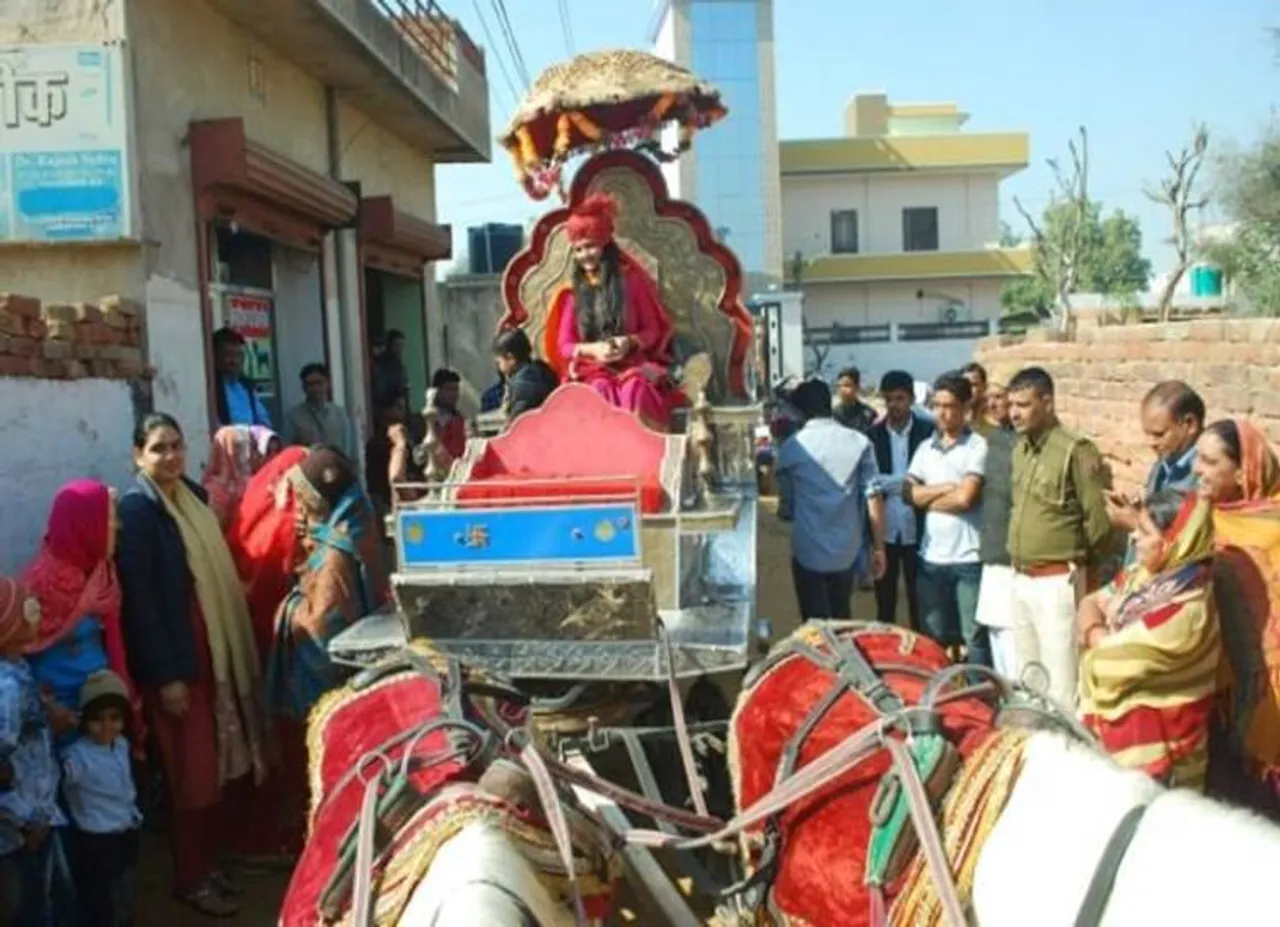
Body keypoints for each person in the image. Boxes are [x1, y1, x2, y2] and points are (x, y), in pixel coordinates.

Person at [115, 412, 268, 917]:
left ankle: (209, 864)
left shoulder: (193, 501)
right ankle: (190, 878)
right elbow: (140, 602)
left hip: (213, 659)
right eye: (158, 448)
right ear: (138, 455)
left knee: (219, 769)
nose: (171, 457)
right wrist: (166, 678)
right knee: (193, 777)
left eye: (177, 446)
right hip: (178, 666)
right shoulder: (139, 513)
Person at [1077, 491, 1219, 791]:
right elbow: (1091, 601)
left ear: (1171, 541)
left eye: (1144, 533)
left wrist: (1092, 635)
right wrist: (1097, 632)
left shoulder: (1187, 608)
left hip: (1165, 761)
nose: (1133, 540)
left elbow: (1106, 665)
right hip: (1126, 753)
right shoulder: (1143, 576)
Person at [1006, 366, 1113, 710]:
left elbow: (1098, 522)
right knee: (1029, 679)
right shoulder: (1020, 448)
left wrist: (1087, 578)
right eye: (1012, 405)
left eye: (1023, 404)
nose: (1014, 413)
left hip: (1058, 581)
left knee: (1063, 684)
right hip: (1021, 577)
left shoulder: (1076, 450)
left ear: (1048, 403)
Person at [1193, 418, 1280, 810]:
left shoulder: (1273, 526)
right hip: (1213, 686)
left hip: (1268, 688)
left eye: (1210, 462)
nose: (1198, 470)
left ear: (1243, 472)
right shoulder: (1198, 520)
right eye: (1198, 458)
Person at [22, 480, 140, 753]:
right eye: (109, 519)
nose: (117, 527)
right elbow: (17, 657)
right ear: (86, 526)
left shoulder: (101, 573)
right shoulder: (41, 586)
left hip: (102, 706)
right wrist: (47, 706)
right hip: (60, 714)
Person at [268, 448, 386, 722]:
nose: (301, 509)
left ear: (322, 500)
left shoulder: (337, 555)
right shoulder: (352, 526)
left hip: (332, 690)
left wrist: (291, 608)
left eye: (307, 502)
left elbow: (322, 626)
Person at [552, 193, 677, 429]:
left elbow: (653, 329)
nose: (584, 255)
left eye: (590, 247)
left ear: (604, 244)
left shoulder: (631, 282)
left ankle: (645, 457)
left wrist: (629, 342)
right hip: (591, 369)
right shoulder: (572, 294)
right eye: (578, 250)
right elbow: (564, 345)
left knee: (636, 389)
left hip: (632, 364)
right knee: (599, 391)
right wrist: (594, 349)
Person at [776, 379, 886, 621]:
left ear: (800, 411)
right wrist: (878, 548)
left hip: (808, 550)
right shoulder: (859, 442)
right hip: (847, 550)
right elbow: (873, 497)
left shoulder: (792, 448)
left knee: (814, 625)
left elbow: (787, 507)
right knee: (842, 615)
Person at [905, 372, 990, 667]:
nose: (941, 412)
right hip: (931, 559)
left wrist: (926, 498)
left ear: (966, 407)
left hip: (968, 559)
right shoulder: (925, 448)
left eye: (949, 405)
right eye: (937, 405)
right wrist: (944, 488)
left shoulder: (977, 446)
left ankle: (980, 696)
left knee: (974, 636)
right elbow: (907, 495)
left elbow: (966, 498)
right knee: (933, 635)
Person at [0, 577, 67, 927]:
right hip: (21, 827)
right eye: (27, 607)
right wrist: (25, 818)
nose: (37, 611)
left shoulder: (17, 672)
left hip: (33, 817)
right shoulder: (7, 688)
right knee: (30, 908)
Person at [61, 669, 142, 926]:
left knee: (125, 895)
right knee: (98, 904)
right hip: (94, 842)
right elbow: (58, 777)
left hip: (125, 832)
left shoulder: (122, 745)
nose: (107, 726)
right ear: (84, 720)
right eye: (97, 718)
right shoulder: (76, 757)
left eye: (114, 718)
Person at [868, 370, 934, 628]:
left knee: (920, 599)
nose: (894, 405)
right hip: (885, 530)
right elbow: (871, 483)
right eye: (889, 399)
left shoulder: (928, 433)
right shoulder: (873, 436)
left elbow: (928, 479)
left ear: (911, 398)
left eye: (900, 399)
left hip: (918, 528)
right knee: (885, 600)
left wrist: (890, 481)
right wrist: (905, 481)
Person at [1106, 380, 1204, 533]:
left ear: (1189, 424)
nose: (1151, 443)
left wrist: (1136, 523)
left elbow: (1193, 536)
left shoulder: (1206, 473)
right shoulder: (1163, 464)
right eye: (1148, 434)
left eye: (1159, 434)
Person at [973, 365, 1019, 677]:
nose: (994, 403)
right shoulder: (988, 439)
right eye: (989, 398)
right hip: (991, 547)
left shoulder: (1023, 441)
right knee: (994, 631)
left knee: (1013, 638)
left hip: (1014, 552)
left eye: (1000, 397)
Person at [203, 425, 280, 527]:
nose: (247, 454)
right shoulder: (214, 491)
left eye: (248, 446)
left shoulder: (252, 481)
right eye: (237, 446)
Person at [282, 363, 356, 459]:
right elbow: (286, 453)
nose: (316, 388)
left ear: (327, 384)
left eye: (319, 383)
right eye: (311, 384)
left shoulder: (340, 415)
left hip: (337, 469)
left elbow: (350, 450)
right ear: (304, 388)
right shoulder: (293, 418)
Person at [366, 391, 423, 516]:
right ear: (386, 411)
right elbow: (380, 484)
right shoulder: (376, 445)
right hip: (390, 505)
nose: (402, 413)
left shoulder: (411, 438)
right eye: (398, 407)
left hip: (414, 502)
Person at [492, 328, 558, 421]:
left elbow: (518, 424)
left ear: (510, 358)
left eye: (499, 362)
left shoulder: (523, 385)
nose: (498, 367)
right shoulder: (540, 369)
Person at [212, 327, 272, 428]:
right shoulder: (212, 387)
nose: (234, 361)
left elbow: (263, 420)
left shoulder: (246, 385)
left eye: (238, 355)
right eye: (228, 355)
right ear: (215, 356)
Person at [430, 368, 467, 460]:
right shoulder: (427, 420)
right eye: (449, 389)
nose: (454, 394)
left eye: (456, 389)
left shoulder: (460, 419)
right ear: (437, 391)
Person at [371, 330, 410, 409]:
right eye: (396, 345)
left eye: (401, 346)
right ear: (389, 346)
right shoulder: (381, 365)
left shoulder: (400, 366)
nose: (399, 349)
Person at [832, 367, 877, 434]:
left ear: (857, 387)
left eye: (847, 386)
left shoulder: (868, 414)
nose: (842, 390)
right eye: (840, 386)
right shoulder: (833, 415)